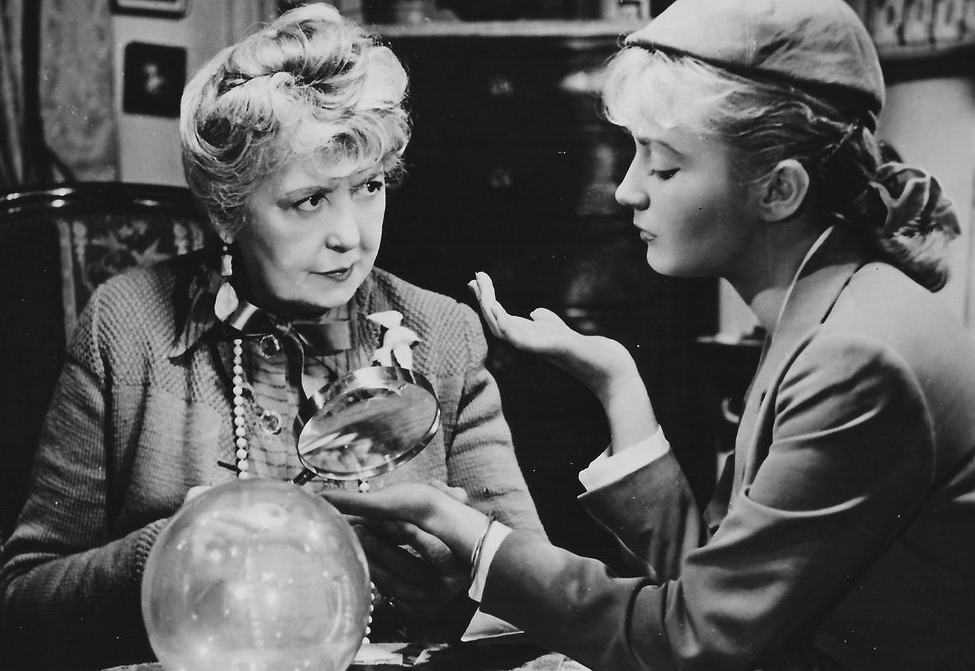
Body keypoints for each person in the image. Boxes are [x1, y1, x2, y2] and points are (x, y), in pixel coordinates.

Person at [323, 0, 975, 669]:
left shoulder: (853, 355)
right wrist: (617, 382)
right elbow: (722, 590)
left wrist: (473, 537)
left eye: (662, 166)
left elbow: (694, 638)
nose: (627, 191)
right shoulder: (831, 306)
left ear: (779, 189)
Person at [0, 5, 543, 669]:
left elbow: (539, 604)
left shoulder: (443, 335)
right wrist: (174, 547)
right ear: (229, 208)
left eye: (368, 187)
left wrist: (464, 583)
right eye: (310, 200)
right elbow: (22, 608)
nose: (351, 234)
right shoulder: (126, 325)